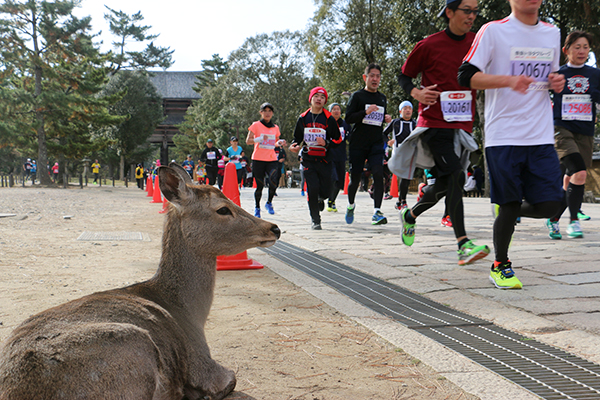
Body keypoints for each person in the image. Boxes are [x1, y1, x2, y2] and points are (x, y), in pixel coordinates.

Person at [458, 0, 565, 288]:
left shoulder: (551, 33)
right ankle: (500, 265)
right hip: (503, 134)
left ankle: (509, 210)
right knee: (508, 203)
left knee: (552, 203)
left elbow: (550, 77)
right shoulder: (493, 31)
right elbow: (466, 76)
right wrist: (508, 80)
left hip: (540, 134)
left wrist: (557, 82)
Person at [393, 0, 489, 267]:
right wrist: (416, 93)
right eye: (466, 10)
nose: (472, 16)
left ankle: (410, 216)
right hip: (435, 124)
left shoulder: (477, 42)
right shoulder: (428, 45)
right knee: (457, 175)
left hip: (463, 127)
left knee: (451, 182)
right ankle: (462, 244)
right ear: (450, 12)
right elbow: (404, 76)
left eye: (475, 11)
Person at [545, 31, 600, 240]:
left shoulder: (595, 75)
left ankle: (553, 218)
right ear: (566, 50)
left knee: (572, 179)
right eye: (577, 47)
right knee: (579, 171)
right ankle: (574, 221)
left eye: (585, 47)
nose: (582, 51)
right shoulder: (557, 72)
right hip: (561, 128)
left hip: (585, 131)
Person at [345, 63, 392, 225]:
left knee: (378, 174)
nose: (375, 79)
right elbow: (348, 118)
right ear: (365, 77)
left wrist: (385, 118)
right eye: (372, 75)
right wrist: (365, 112)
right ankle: (351, 205)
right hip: (358, 143)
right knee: (355, 177)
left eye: (378, 76)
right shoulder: (357, 96)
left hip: (376, 144)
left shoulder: (382, 98)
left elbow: (378, 118)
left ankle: (377, 211)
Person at [290, 87, 341, 229]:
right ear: (311, 99)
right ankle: (315, 220)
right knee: (312, 188)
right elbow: (297, 138)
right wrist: (294, 146)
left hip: (325, 160)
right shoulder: (303, 117)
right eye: (316, 96)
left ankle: (321, 198)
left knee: (326, 189)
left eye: (322, 97)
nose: (319, 99)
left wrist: (326, 143)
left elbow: (338, 139)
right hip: (308, 159)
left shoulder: (329, 118)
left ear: (325, 101)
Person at [246, 102, 282, 218]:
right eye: (265, 111)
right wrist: (259, 139)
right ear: (260, 112)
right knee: (260, 185)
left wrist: (280, 143)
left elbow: (275, 142)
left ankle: (269, 203)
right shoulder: (255, 125)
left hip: (271, 158)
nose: (267, 113)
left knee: (273, 182)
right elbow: (248, 141)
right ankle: (257, 207)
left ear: (272, 113)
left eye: (269, 111)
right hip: (258, 159)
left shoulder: (275, 127)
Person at [384, 100, 416, 211]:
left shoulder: (415, 123)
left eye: (409, 108)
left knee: (407, 178)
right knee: (404, 175)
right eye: (405, 108)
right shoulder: (395, 122)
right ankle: (403, 201)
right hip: (399, 152)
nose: (407, 110)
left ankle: (400, 201)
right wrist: (388, 142)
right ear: (400, 111)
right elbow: (383, 133)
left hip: (411, 152)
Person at [326, 103, 350, 212]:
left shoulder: (345, 124)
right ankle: (327, 199)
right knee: (333, 178)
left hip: (341, 156)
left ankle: (332, 200)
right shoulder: (327, 123)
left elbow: (350, 137)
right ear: (330, 111)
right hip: (329, 156)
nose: (336, 111)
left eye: (338, 109)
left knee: (340, 182)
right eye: (334, 109)